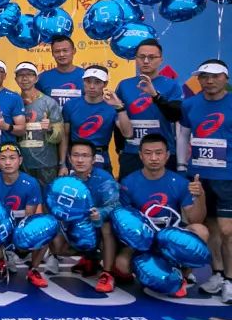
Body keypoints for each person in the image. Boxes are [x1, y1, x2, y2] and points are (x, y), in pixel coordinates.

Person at [118, 134, 206, 297]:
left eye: (158, 153)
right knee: (122, 265)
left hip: (170, 240)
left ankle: (184, 274)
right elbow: (124, 221)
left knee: (200, 231)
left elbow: (196, 219)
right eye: (148, 153)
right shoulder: (128, 183)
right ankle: (148, 269)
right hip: (143, 241)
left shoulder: (180, 182)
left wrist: (200, 196)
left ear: (167, 155)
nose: (153, 158)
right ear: (140, 155)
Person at [180, 58, 232, 304]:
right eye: (204, 77)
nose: (209, 81)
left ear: (225, 79)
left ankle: (230, 280)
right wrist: (182, 166)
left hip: (228, 177)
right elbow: (184, 135)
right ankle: (218, 274)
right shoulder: (190, 104)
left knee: (227, 230)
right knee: (209, 227)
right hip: (199, 175)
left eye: (215, 76)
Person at [48, 141, 121, 292]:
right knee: (55, 241)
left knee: (107, 226)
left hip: (99, 228)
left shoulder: (104, 179)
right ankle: (91, 259)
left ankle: (107, 274)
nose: (80, 160)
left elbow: (115, 205)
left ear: (93, 159)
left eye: (85, 156)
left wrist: (100, 213)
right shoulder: (64, 181)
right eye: (76, 155)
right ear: (69, 158)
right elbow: (54, 207)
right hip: (75, 228)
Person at [114, 39, 182, 179]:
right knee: (128, 197)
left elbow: (175, 115)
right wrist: (120, 149)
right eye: (141, 57)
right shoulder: (124, 85)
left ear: (161, 60)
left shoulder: (171, 85)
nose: (146, 61)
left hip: (162, 154)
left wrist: (155, 95)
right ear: (136, 58)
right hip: (132, 153)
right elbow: (118, 119)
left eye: (151, 57)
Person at [0, 144, 47, 286]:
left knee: (44, 228)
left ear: (20, 160)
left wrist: (20, 239)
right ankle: (2, 260)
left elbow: (31, 216)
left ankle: (34, 269)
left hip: (21, 229)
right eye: (3, 158)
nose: (8, 162)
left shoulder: (30, 183)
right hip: (2, 230)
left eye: (12, 158)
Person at [60, 66, 131, 175]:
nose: (92, 86)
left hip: (101, 158)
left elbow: (128, 133)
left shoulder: (111, 107)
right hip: (76, 158)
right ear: (83, 82)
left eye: (97, 82)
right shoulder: (71, 105)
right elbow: (64, 137)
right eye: (88, 82)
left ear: (105, 84)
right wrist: (63, 164)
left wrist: (119, 107)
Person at [14, 61, 64, 188]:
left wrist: (50, 128)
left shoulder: (49, 103)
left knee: (46, 201)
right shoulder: (14, 102)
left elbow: (59, 136)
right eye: (21, 75)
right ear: (16, 79)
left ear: (36, 78)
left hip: (46, 165)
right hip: (21, 164)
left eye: (29, 75)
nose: (25, 78)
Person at [37, 36, 84, 107]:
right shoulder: (42, 78)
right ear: (52, 53)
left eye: (65, 50)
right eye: (57, 51)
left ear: (74, 51)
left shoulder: (86, 76)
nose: (61, 54)